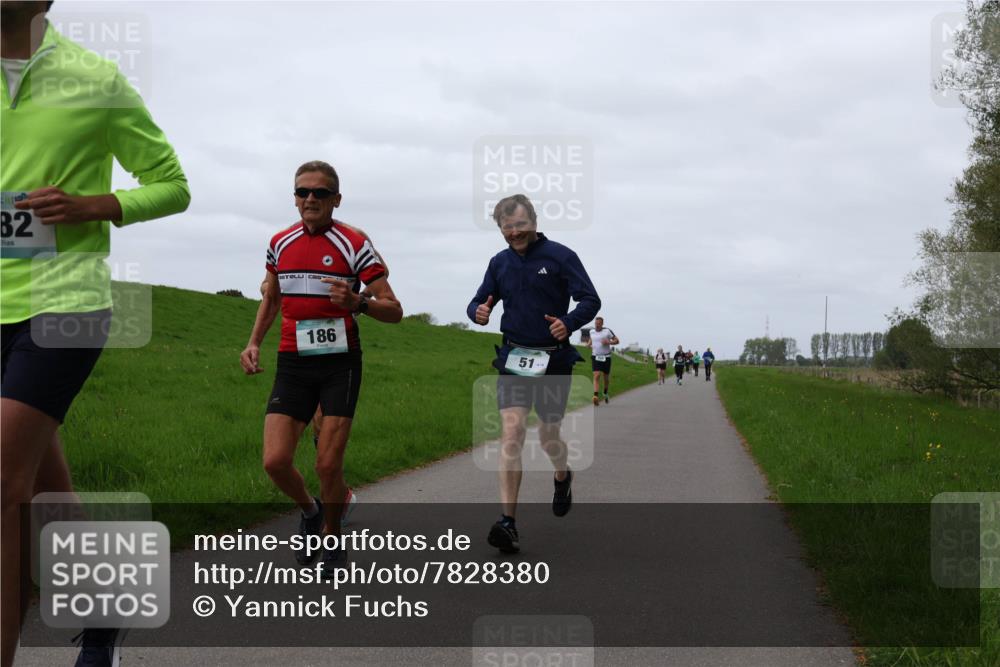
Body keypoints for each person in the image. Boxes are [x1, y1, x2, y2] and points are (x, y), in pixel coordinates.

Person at [1, 3, 191, 666]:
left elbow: (172, 185)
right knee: (43, 488)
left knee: (4, 488)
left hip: (65, 305)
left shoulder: (96, 79)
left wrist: (94, 205)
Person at [240, 160, 402, 578]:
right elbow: (272, 298)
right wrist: (254, 342)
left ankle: (333, 538)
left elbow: (394, 309)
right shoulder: (279, 242)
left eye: (321, 192)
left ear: (336, 199)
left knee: (328, 465)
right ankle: (311, 512)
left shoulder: (354, 243)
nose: (310, 198)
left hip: (339, 364)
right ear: (295, 198)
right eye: (303, 192)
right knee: (275, 461)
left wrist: (359, 303)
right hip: (293, 361)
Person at [467, 194, 600, 553]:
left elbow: (590, 299)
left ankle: (562, 474)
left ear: (535, 222)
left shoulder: (561, 256)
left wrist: (568, 322)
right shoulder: (499, 262)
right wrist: (477, 311)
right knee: (511, 432)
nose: (514, 232)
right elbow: (478, 300)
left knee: (548, 435)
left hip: (554, 361)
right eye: (507, 227)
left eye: (520, 225)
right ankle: (507, 522)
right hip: (514, 358)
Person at [586, 316, 619, 405]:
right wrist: (588, 344)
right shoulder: (591, 331)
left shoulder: (607, 331)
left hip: (606, 357)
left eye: (599, 324)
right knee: (596, 375)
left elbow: (617, 341)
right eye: (596, 324)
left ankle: (605, 392)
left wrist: (609, 342)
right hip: (595, 356)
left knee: (606, 378)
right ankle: (595, 396)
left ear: (602, 324)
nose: (597, 325)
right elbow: (591, 339)